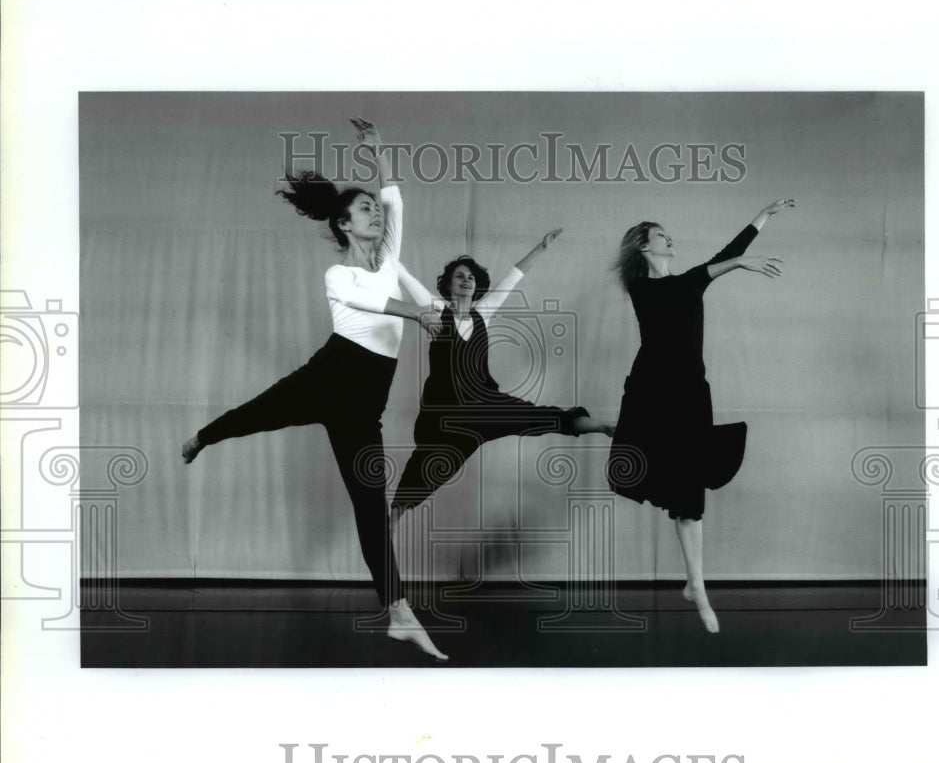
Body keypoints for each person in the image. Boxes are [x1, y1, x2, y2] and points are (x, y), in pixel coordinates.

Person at [181, 118, 449, 661]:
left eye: (374, 208)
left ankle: (399, 612)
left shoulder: (388, 258)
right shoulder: (338, 275)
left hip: (364, 402)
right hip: (329, 376)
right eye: (364, 210)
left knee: (370, 504)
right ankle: (203, 438)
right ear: (345, 227)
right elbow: (372, 304)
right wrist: (417, 312)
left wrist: (378, 151)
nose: (375, 212)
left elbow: (396, 200)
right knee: (255, 412)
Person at [607, 198, 795, 633]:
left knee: (689, 499)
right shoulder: (644, 289)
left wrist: (761, 217)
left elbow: (723, 257)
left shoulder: (692, 281)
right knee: (673, 486)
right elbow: (715, 267)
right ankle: (700, 589)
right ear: (643, 247)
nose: (670, 237)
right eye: (661, 235)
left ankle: (696, 586)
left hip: (691, 397)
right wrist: (739, 263)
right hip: (653, 397)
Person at [390, 229, 616, 530]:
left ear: (477, 286)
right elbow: (403, 274)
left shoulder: (483, 313)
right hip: (446, 412)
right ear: (448, 285)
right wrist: (384, 250)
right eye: (459, 276)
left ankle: (602, 425)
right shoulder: (436, 310)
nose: (466, 280)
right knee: (430, 467)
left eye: (470, 277)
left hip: (484, 404)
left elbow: (513, 277)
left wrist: (541, 246)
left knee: (539, 416)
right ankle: (390, 521)